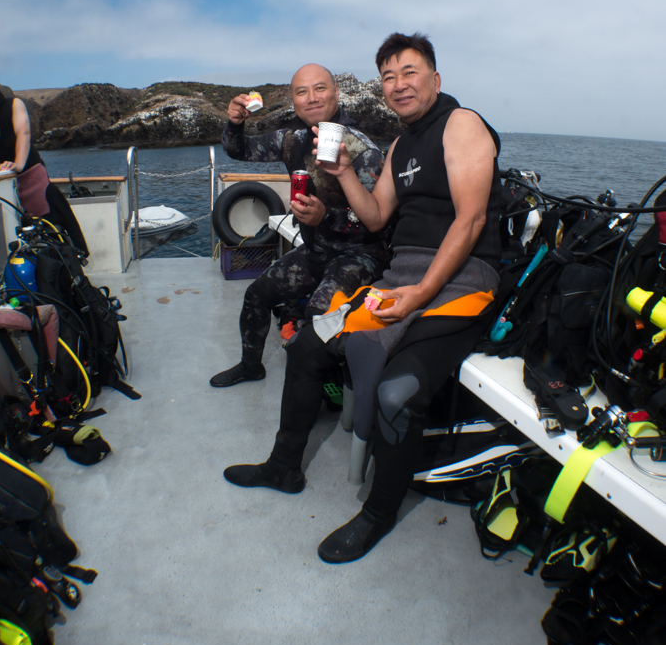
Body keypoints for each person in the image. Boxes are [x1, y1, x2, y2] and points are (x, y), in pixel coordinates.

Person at [223, 33, 503, 563]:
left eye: (410, 72)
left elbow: (471, 220)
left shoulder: (461, 123)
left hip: (463, 279)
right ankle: (284, 466)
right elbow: (375, 217)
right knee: (308, 346)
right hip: (403, 275)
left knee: (398, 392)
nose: (399, 84)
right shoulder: (400, 147)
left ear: (435, 78)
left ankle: (378, 513)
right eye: (389, 76)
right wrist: (346, 173)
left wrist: (420, 293)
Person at [210, 64, 387, 388]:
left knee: (316, 320)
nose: (312, 98)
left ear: (335, 92)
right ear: (294, 101)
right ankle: (251, 367)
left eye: (320, 88)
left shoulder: (362, 150)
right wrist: (235, 123)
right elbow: (238, 149)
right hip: (316, 251)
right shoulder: (292, 140)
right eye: (302, 92)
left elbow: (377, 223)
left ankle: (332, 389)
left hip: (359, 256)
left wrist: (325, 217)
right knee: (256, 295)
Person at [0, 85, 88, 254]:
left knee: (46, 228)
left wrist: (18, 164)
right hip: (3, 186)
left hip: (30, 178)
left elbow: (23, 133)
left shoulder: (13, 104)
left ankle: (65, 262)